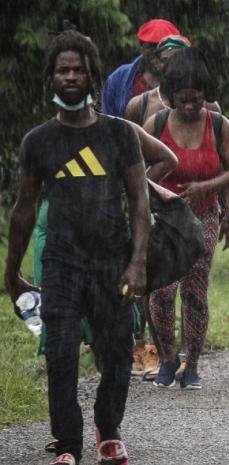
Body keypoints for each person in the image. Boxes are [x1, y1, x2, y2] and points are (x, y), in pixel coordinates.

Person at [5, 30, 149, 465]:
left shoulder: (119, 134)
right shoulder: (38, 141)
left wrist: (138, 262)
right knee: (61, 354)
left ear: (92, 76)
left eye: (78, 70)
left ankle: (109, 428)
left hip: (112, 262)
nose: (70, 76)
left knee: (117, 353)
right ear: (50, 78)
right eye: (62, 70)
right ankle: (68, 445)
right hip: (61, 263)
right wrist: (11, 272)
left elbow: (139, 201)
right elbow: (24, 209)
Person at [143, 47, 229, 389]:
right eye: (182, 100)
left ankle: (192, 365)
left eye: (196, 100)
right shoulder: (155, 125)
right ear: (171, 95)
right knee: (160, 292)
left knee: (194, 291)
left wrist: (206, 188)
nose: (189, 107)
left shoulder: (218, 125)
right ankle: (168, 357)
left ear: (206, 95)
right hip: (164, 221)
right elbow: (136, 172)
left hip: (204, 218)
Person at [101, 19, 180, 117]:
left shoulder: (187, 78)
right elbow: (107, 117)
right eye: (152, 47)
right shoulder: (118, 78)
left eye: (164, 47)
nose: (158, 53)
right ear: (142, 48)